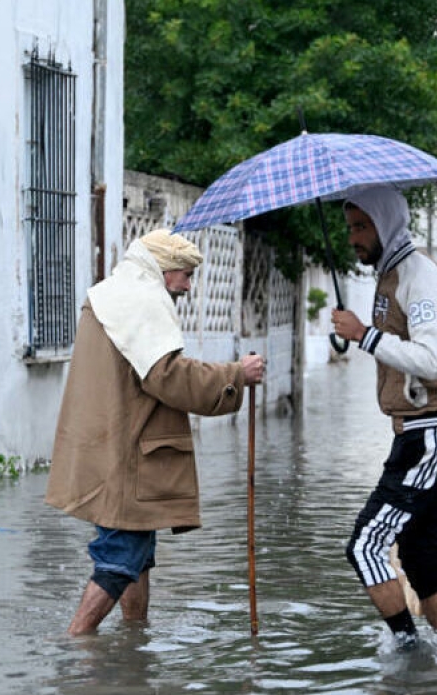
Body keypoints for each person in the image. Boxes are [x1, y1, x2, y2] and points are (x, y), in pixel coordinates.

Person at [45, 228, 266, 635]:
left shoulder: (114, 294)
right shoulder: (142, 300)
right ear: (163, 269)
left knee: (137, 551)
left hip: (110, 448)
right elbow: (167, 377)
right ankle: (75, 644)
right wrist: (237, 374)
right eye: (185, 274)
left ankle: (134, 640)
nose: (187, 286)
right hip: (127, 454)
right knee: (121, 555)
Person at [330, 185, 437, 645]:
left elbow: (431, 360)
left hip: (432, 434)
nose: (353, 238)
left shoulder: (417, 274)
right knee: (419, 562)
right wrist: (353, 335)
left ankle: (412, 657)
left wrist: (366, 335)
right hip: (417, 430)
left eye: (361, 227)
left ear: (386, 223)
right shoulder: (391, 273)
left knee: (366, 546)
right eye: (350, 227)